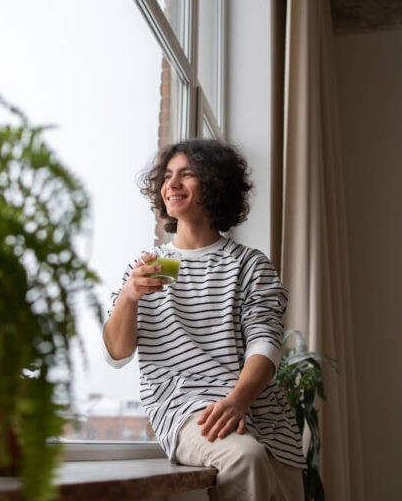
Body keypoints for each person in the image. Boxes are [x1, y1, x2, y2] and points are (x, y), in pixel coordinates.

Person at [103, 139, 305, 500]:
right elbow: (117, 352)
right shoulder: (148, 267)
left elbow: (266, 344)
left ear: (214, 184)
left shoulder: (249, 264)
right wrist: (130, 297)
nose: (172, 184)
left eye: (187, 174)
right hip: (190, 412)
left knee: (266, 464)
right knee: (245, 457)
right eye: (167, 176)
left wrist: (237, 402)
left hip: (268, 423)